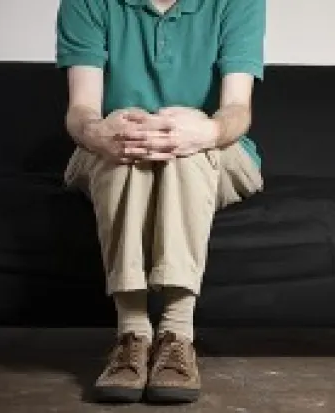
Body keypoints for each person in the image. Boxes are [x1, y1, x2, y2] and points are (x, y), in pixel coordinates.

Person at [56, 0, 266, 404]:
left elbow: (238, 110)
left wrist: (199, 132)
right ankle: (132, 333)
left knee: (183, 145)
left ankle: (176, 334)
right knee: (130, 136)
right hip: (112, 147)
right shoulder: (85, 3)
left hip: (215, 150)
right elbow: (81, 111)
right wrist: (101, 132)